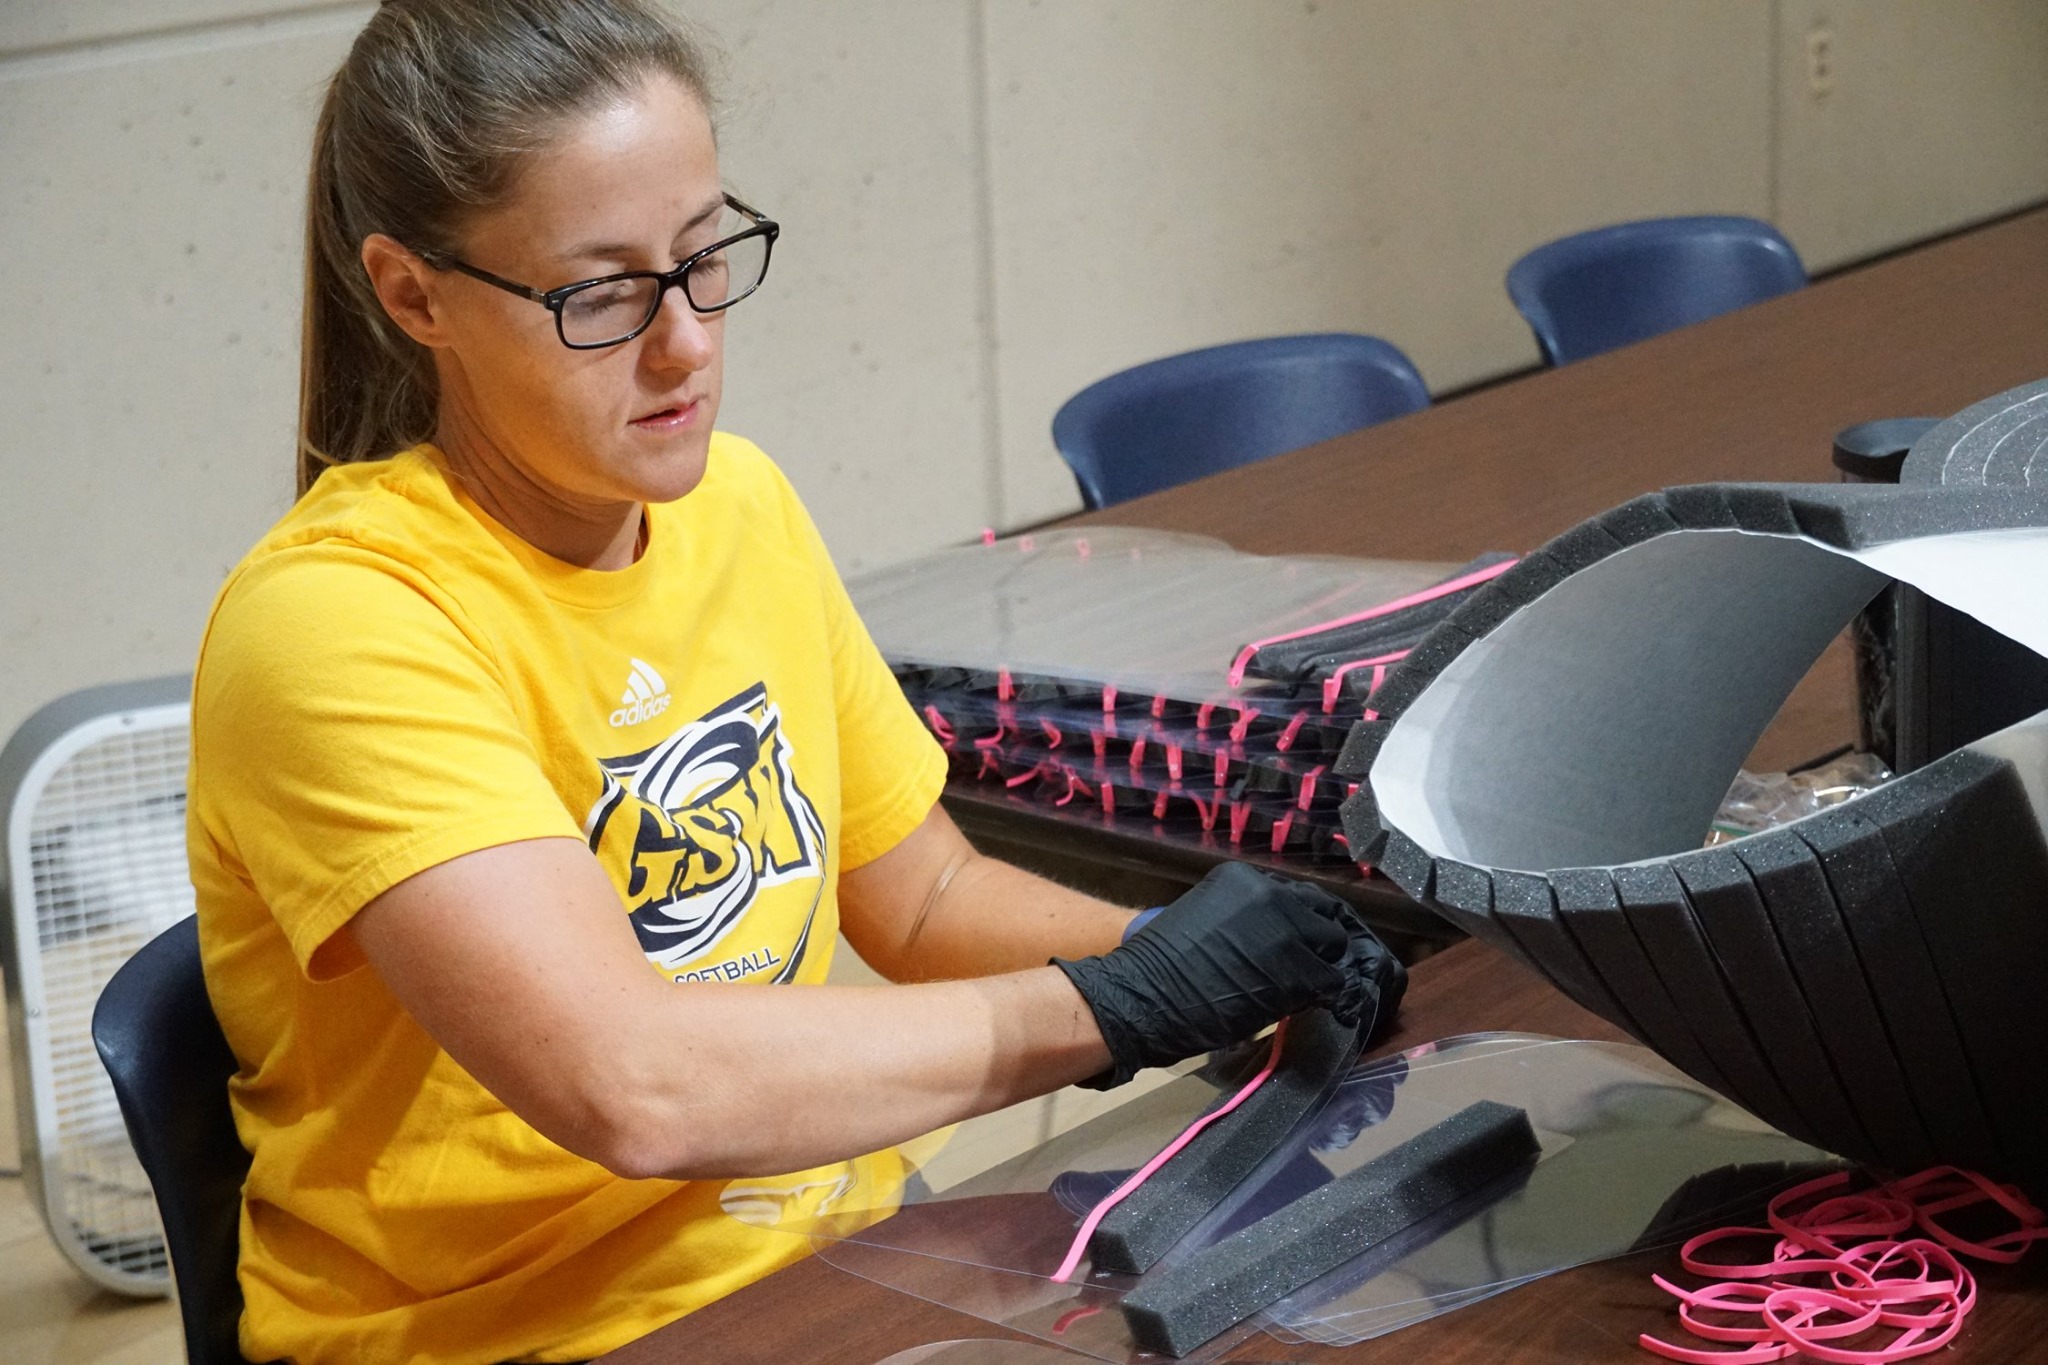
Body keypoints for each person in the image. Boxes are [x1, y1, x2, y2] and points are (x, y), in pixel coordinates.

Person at [185, 2, 1405, 1361]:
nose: (687, 344)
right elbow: (634, 1087)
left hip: (827, 1260)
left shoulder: (741, 508)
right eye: (602, 293)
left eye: (704, 259)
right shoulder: (339, 622)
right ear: (415, 294)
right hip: (539, 1335)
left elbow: (927, 894)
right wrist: (1128, 1005)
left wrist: (1207, 957)